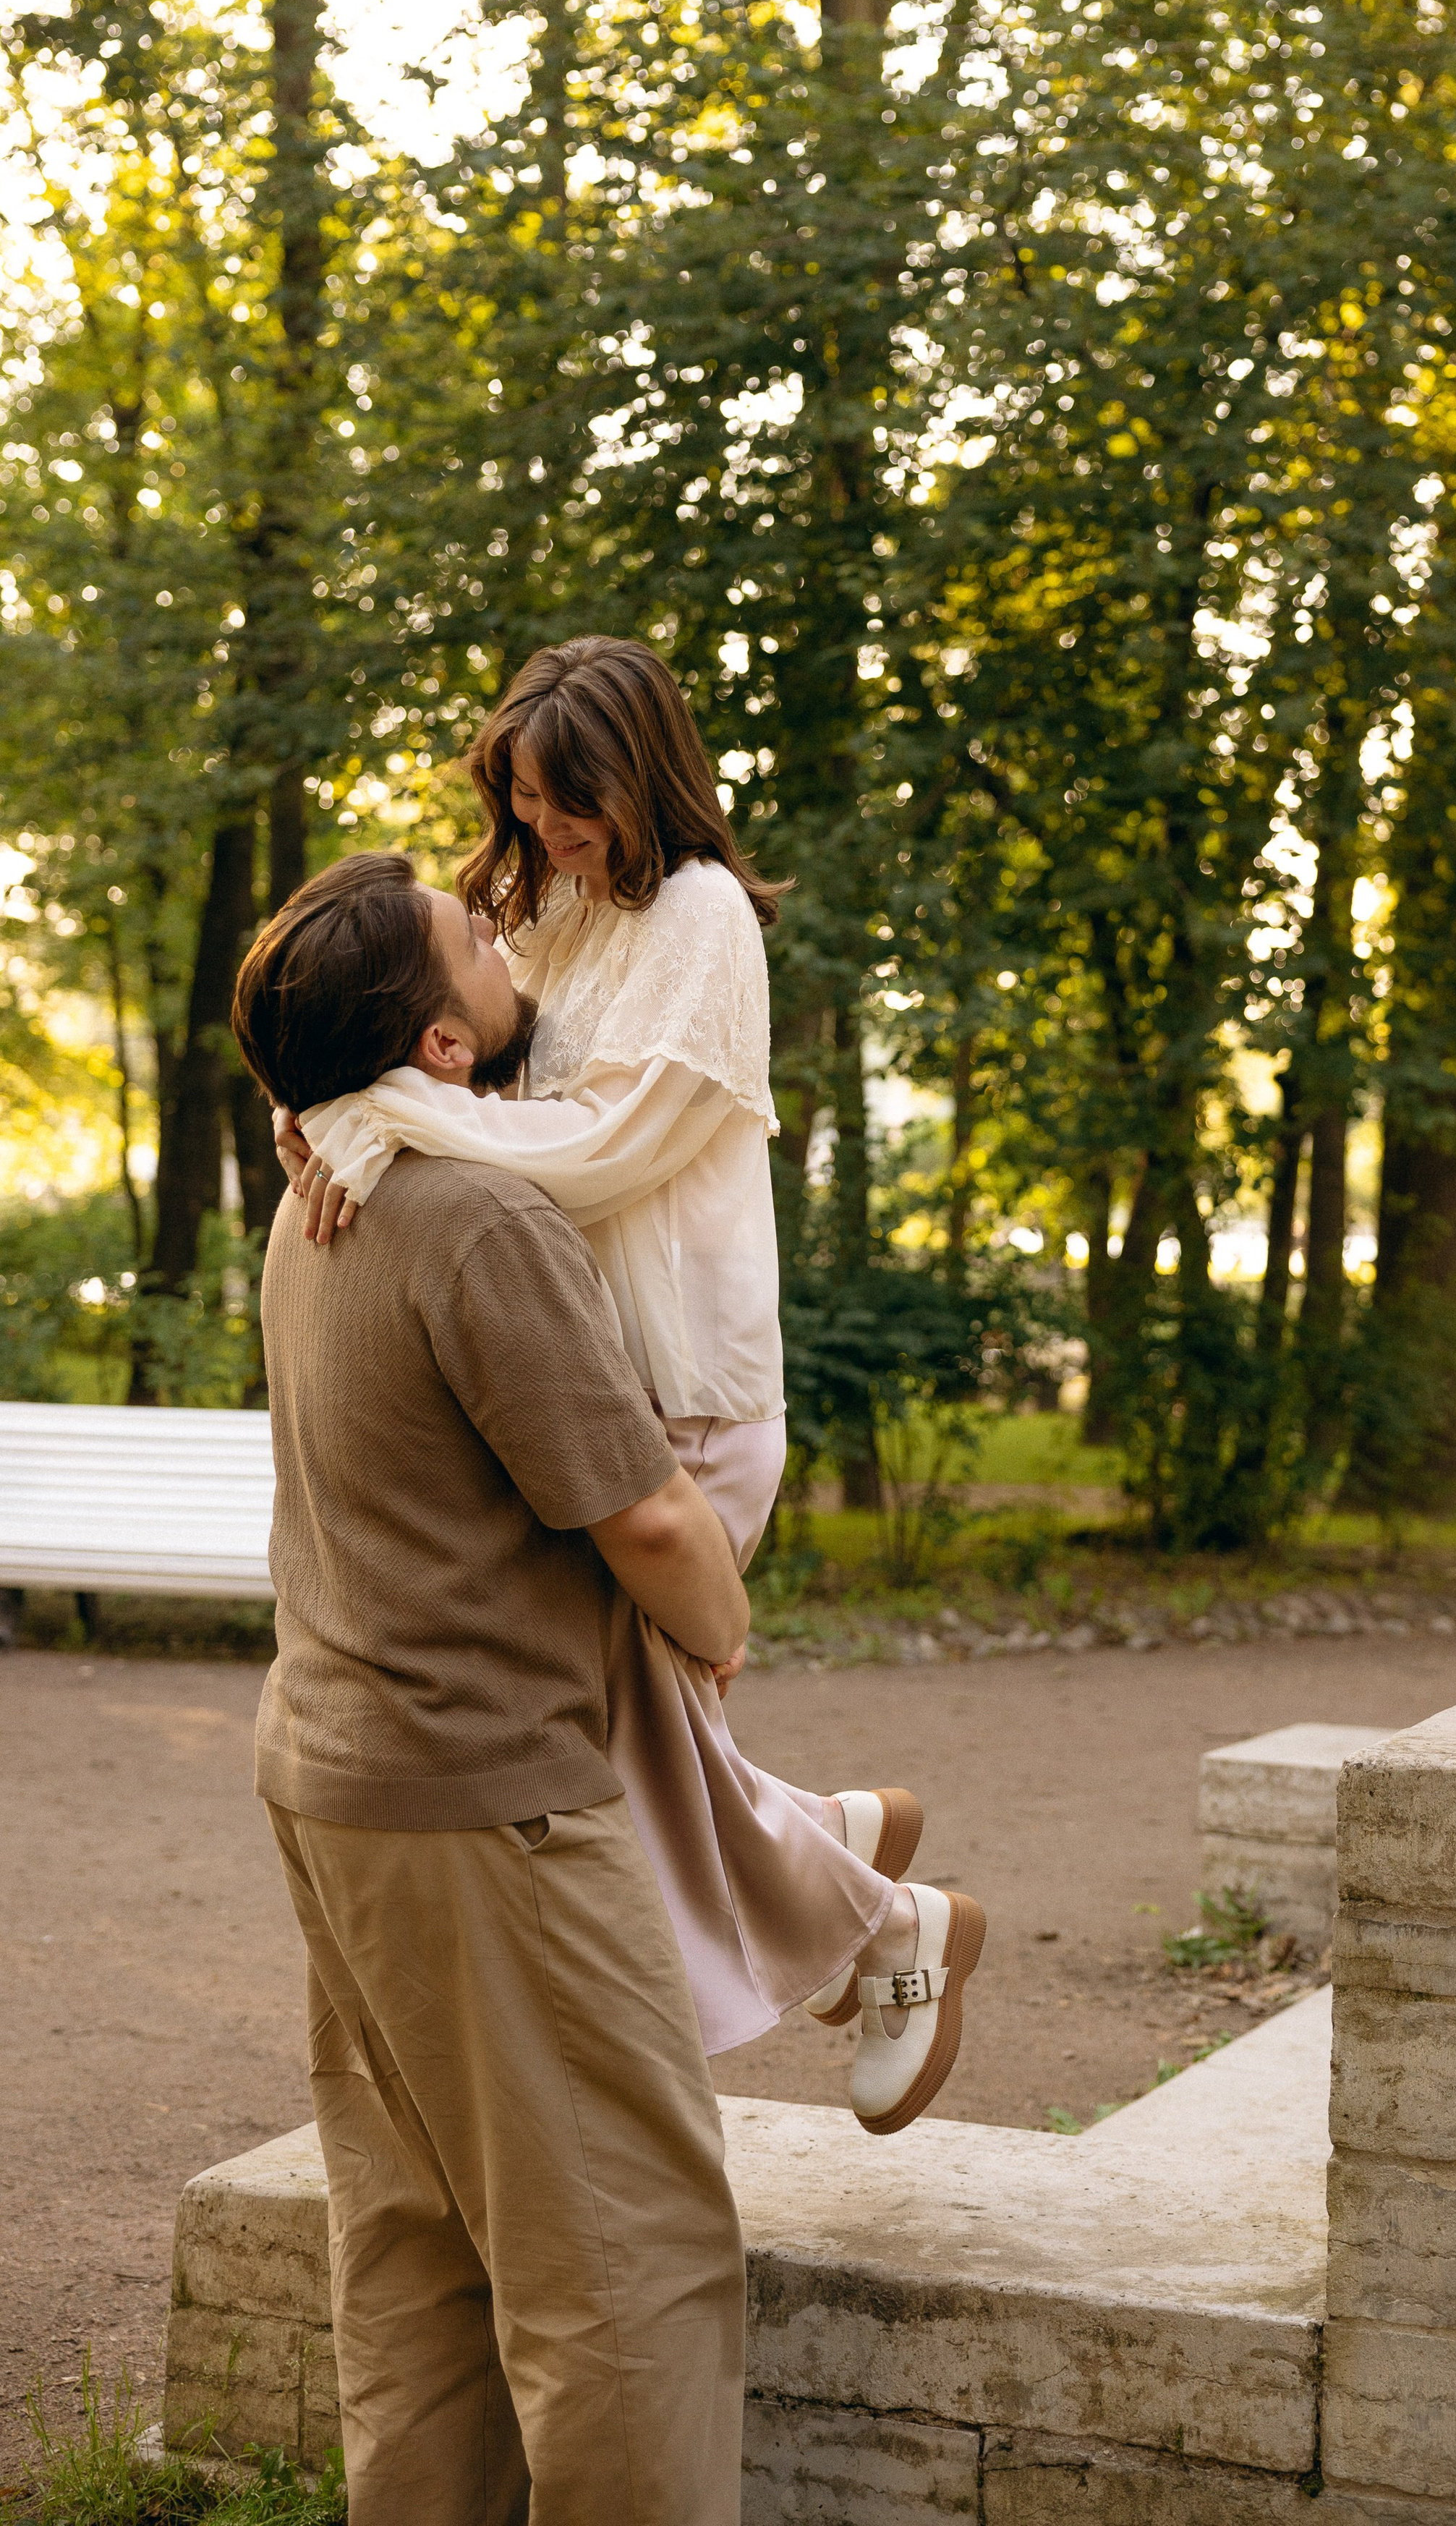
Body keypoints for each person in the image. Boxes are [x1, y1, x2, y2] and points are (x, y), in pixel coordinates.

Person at [278, 637, 984, 2139]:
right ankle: (855, 1877)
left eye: (570, 799)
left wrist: (385, 1113)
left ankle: (880, 1918)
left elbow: (604, 1150)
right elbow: (436, 1053)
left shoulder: (704, 918)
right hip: (576, 1383)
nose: (544, 828)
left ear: (641, 773)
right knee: (622, 1735)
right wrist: (342, 1105)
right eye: (522, 797)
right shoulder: (543, 908)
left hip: (682, 1393)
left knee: (608, 1744)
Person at [231, 849, 750, 2526]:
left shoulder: (322, 1199)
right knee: (626, 2250)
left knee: (420, 2240)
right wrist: (717, 1621)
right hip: (484, 1804)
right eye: (474, 938)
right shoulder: (476, 1215)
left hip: (336, 1777)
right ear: (442, 1045)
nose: (505, 935)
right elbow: (643, 1515)